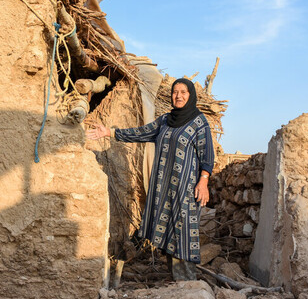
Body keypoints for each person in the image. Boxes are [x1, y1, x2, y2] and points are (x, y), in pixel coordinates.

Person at [87, 78, 214, 281]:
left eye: (183, 92)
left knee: (183, 231)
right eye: (175, 92)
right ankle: (176, 281)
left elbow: (207, 154)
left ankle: (188, 284)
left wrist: (204, 180)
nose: (178, 96)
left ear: (191, 95)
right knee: (169, 231)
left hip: (186, 189)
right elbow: (141, 132)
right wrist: (109, 132)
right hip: (164, 187)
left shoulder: (199, 122)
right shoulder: (164, 121)